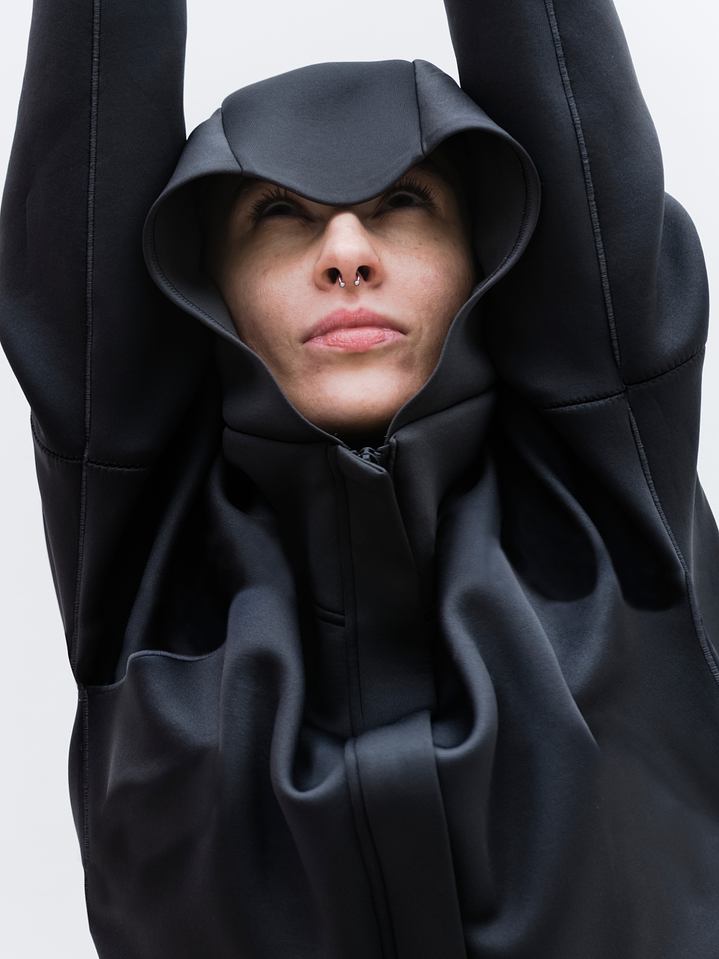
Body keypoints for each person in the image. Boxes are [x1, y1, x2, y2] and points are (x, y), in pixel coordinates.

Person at [2, 1, 719, 957]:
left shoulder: (605, 492)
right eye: (278, 213)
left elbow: (557, 75)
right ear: (206, 280)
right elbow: (89, 118)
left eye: (403, 202)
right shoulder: (147, 551)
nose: (345, 253)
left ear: (488, 248)